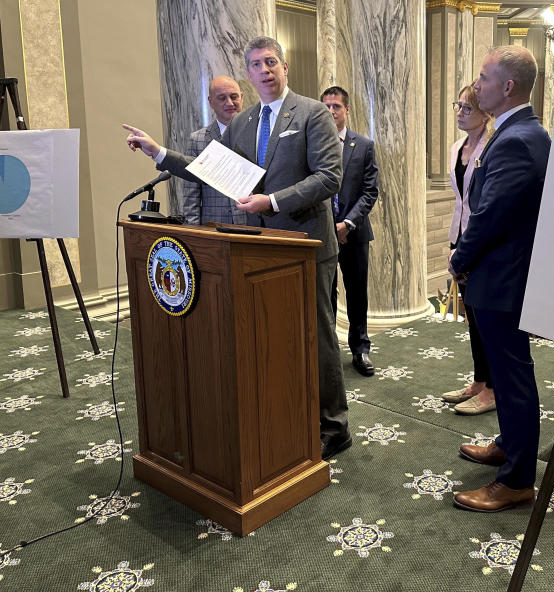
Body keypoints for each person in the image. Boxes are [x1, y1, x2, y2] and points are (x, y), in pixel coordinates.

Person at [123, 36, 351, 460]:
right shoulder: (244, 122)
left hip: (306, 245)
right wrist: (160, 153)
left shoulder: (313, 112)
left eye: (270, 62)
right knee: (275, 337)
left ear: (284, 68)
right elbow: (210, 169)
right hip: (261, 247)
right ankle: (292, 412)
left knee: (316, 335)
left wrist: (273, 201)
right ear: (248, 74)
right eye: (255, 65)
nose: (263, 70)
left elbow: (329, 177)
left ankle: (334, 426)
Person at [448, 46, 551, 512]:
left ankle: (516, 481)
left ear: (507, 86)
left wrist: (457, 260)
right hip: (505, 273)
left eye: (484, 76)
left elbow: (489, 217)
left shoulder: (515, 139)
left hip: (502, 276)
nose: (478, 84)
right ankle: (510, 448)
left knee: (512, 378)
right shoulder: (523, 132)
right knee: (510, 374)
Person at [439, 84, 495, 415]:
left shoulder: (492, 147)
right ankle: (479, 381)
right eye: (457, 106)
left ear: (486, 113)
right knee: (471, 316)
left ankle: (492, 390)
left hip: (480, 239)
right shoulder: (456, 146)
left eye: (467, 108)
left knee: (484, 316)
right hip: (458, 235)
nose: (460, 113)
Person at [322, 86, 379, 377]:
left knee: (357, 293)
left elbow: (370, 191)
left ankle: (360, 349)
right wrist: (330, 225)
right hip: (322, 233)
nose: (331, 112)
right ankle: (329, 352)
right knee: (326, 294)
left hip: (354, 234)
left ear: (347, 110)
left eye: (336, 107)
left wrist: (348, 223)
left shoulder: (364, 145)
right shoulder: (313, 143)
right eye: (327, 106)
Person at [182, 75, 246, 225]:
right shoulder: (197, 140)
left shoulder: (257, 134)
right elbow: (191, 197)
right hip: (214, 228)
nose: (229, 103)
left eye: (234, 96)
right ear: (211, 102)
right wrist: (194, 235)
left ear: (242, 97)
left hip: (252, 226)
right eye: (222, 98)